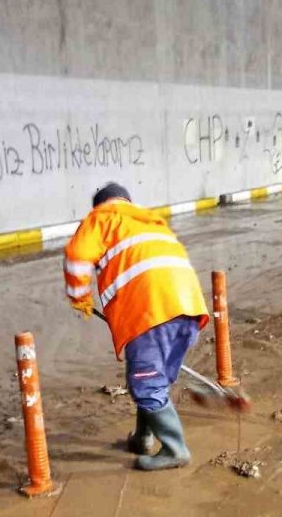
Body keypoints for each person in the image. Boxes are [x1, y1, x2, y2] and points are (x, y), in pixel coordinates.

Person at [64, 182, 208, 470]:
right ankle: (143, 437)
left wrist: (80, 296)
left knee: (146, 382)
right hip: (188, 307)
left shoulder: (102, 217)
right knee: (154, 379)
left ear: (100, 204)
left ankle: (175, 449)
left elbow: (77, 256)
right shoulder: (151, 222)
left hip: (149, 310)